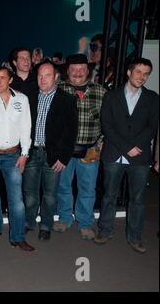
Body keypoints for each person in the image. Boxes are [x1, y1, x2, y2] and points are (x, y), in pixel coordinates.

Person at [95, 57, 159, 254]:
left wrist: (135, 146)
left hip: (139, 157)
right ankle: (105, 230)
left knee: (138, 199)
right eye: (139, 72)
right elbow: (107, 126)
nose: (142, 77)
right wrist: (126, 147)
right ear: (129, 72)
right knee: (109, 196)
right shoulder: (111, 96)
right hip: (114, 154)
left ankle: (135, 236)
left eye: (146, 73)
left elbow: (152, 127)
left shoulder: (153, 98)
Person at [0, 67, 35, 251]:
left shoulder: (22, 99)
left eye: (2, 78)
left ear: (10, 80)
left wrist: (25, 154)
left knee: (16, 199)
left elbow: (26, 127)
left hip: (13, 155)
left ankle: (18, 237)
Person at [23, 60, 78, 241]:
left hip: (53, 155)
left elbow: (71, 132)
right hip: (31, 153)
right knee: (30, 194)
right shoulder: (28, 96)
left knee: (50, 195)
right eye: (40, 75)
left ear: (55, 77)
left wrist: (64, 158)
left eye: (47, 75)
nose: (43, 79)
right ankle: (29, 222)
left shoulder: (67, 100)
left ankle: (46, 225)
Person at [55, 54, 107, 240]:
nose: (78, 73)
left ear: (88, 70)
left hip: (91, 149)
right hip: (65, 150)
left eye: (82, 69)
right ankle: (64, 217)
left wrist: (101, 141)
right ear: (67, 71)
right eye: (74, 69)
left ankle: (85, 223)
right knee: (63, 185)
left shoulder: (100, 92)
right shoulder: (58, 90)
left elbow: (108, 120)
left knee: (87, 188)